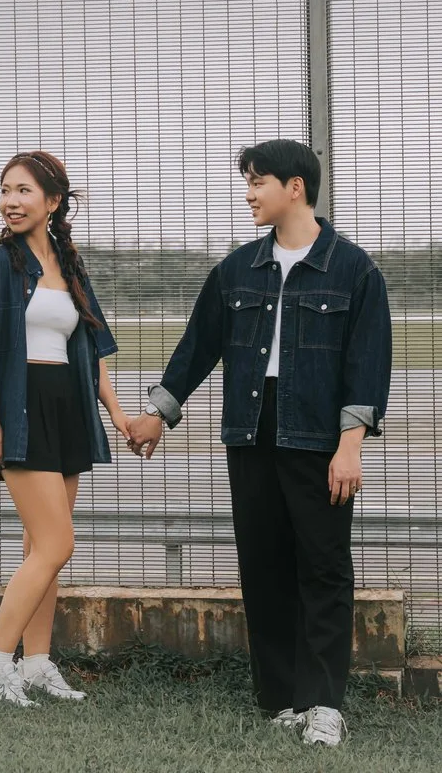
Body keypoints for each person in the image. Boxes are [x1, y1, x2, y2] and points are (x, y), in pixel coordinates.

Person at [122, 139, 392, 747]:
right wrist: (158, 414)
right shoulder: (237, 269)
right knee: (264, 566)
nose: (248, 194)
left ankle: (323, 703)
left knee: (323, 567)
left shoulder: (354, 270)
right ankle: (283, 698)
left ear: (295, 187)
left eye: (257, 182)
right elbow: (198, 346)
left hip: (318, 436)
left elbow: (368, 364)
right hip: (250, 431)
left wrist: (350, 445)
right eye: (247, 182)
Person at [0, 151, 134, 707]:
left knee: (40, 547)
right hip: (19, 408)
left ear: (53, 201)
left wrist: (118, 415)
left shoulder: (69, 265)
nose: (11, 201)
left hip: (66, 407)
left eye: (23, 190)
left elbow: (92, 349)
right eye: (6, 190)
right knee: (58, 543)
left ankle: (35, 664)